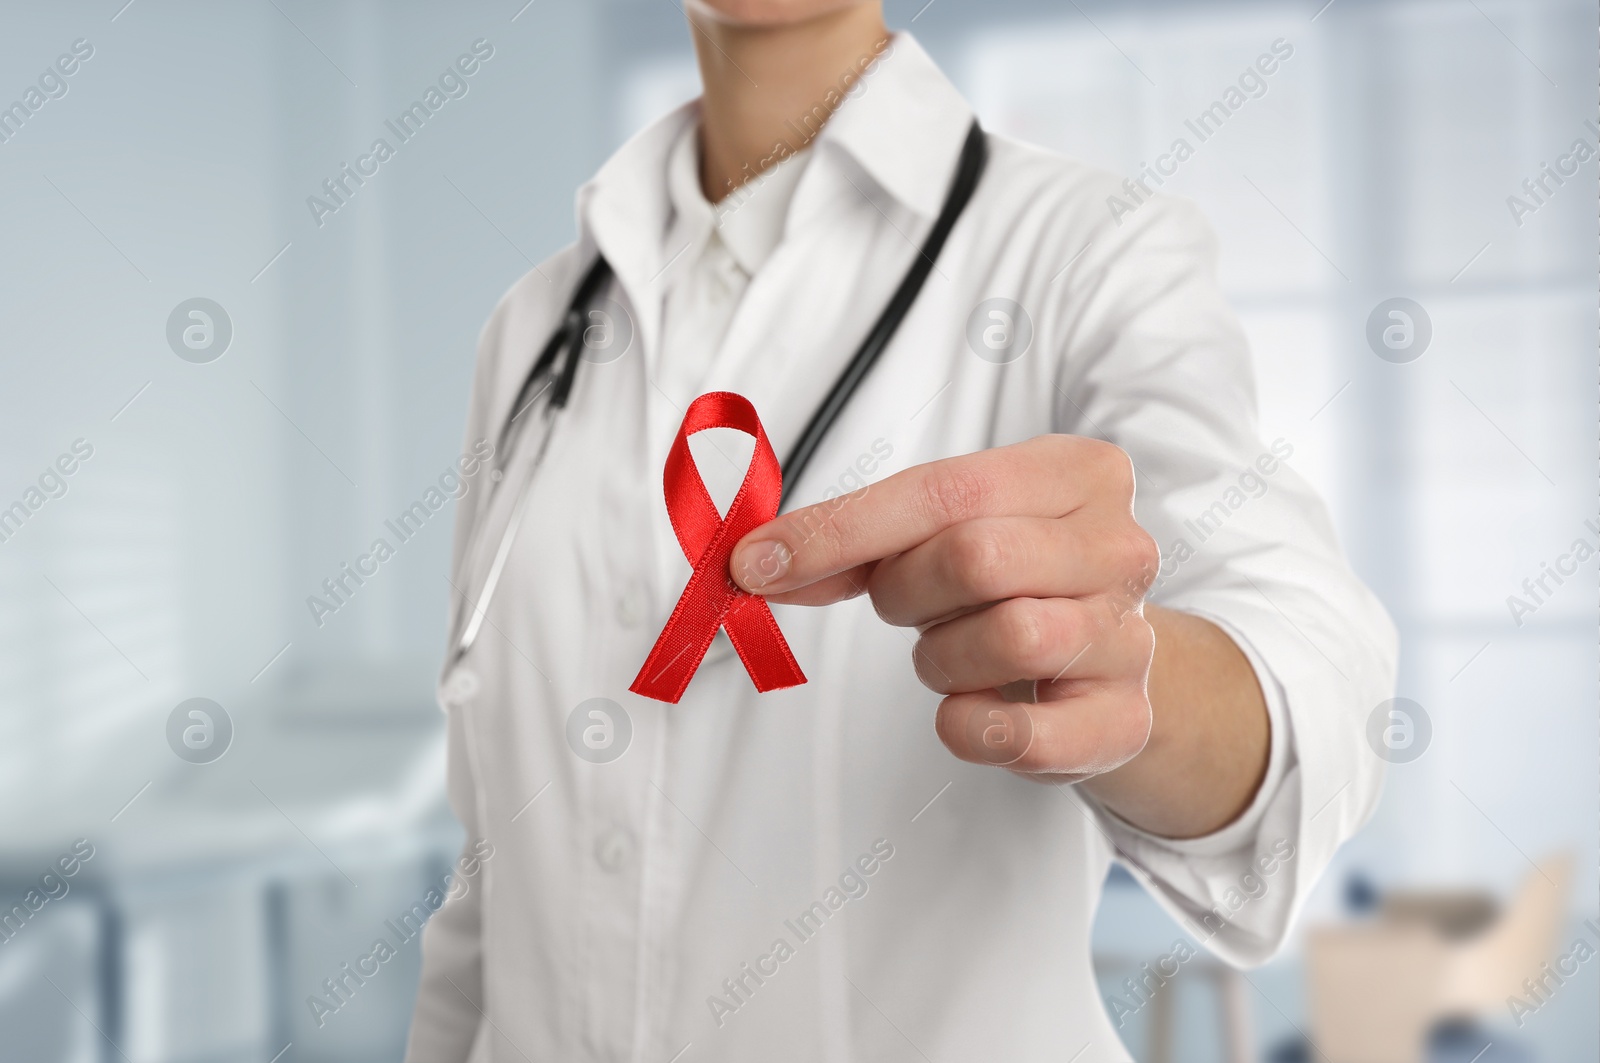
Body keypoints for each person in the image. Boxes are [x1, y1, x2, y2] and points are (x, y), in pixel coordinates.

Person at [405, 1, 1396, 1059]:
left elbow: (1309, 666)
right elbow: (492, 884)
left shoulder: (1086, 252)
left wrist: (1128, 681)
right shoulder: (532, 333)